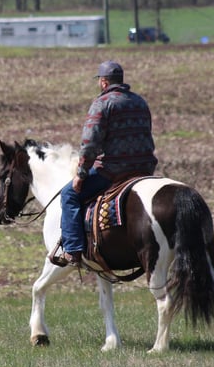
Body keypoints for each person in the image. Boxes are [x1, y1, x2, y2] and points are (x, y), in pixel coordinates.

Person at [58, 60, 158, 265]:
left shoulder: (102, 103)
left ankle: (73, 250)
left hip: (113, 171)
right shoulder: (139, 101)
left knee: (69, 195)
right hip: (144, 168)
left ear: (103, 82)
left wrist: (81, 174)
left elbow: (89, 144)